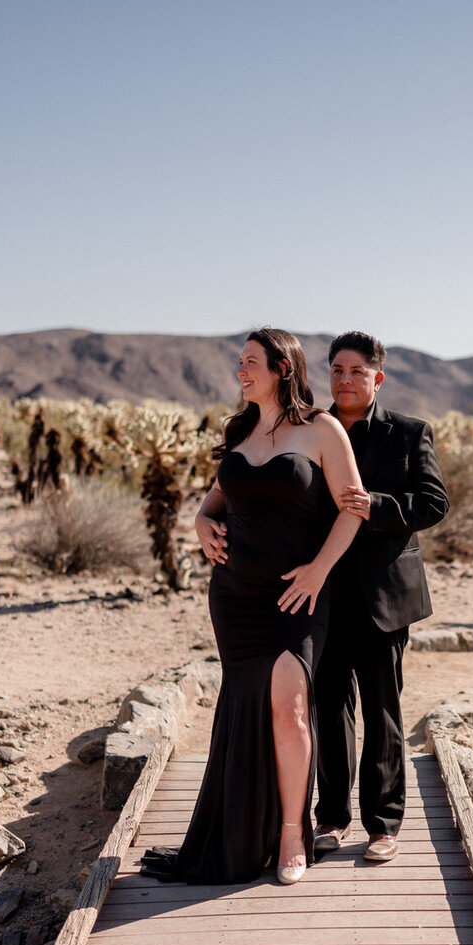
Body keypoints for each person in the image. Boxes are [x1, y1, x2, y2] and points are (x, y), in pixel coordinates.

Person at [142, 328, 364, 885]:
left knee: (289, 708)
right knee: (248, 708)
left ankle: (293, 835)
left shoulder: (321, 428)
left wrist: (320, 569)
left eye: (251, 363)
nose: (241, 372)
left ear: (282, 369)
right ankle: (243, 832)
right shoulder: (239, 431)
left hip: (298, 594)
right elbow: (217, 501)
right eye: (239, 362)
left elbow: (352, 508)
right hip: (235, 597)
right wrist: (198, 522)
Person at [313, 331, 450, 863]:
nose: (344, 380)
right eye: (337, 370)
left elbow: (434, 503)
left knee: (383, 710)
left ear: (377, 378)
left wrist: (376, 505)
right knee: (329, 707)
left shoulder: (408, 433)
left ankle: (383, 825)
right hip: (322, 592)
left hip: (384, 596)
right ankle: (331, 818)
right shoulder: (311, 429)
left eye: (356, 372)